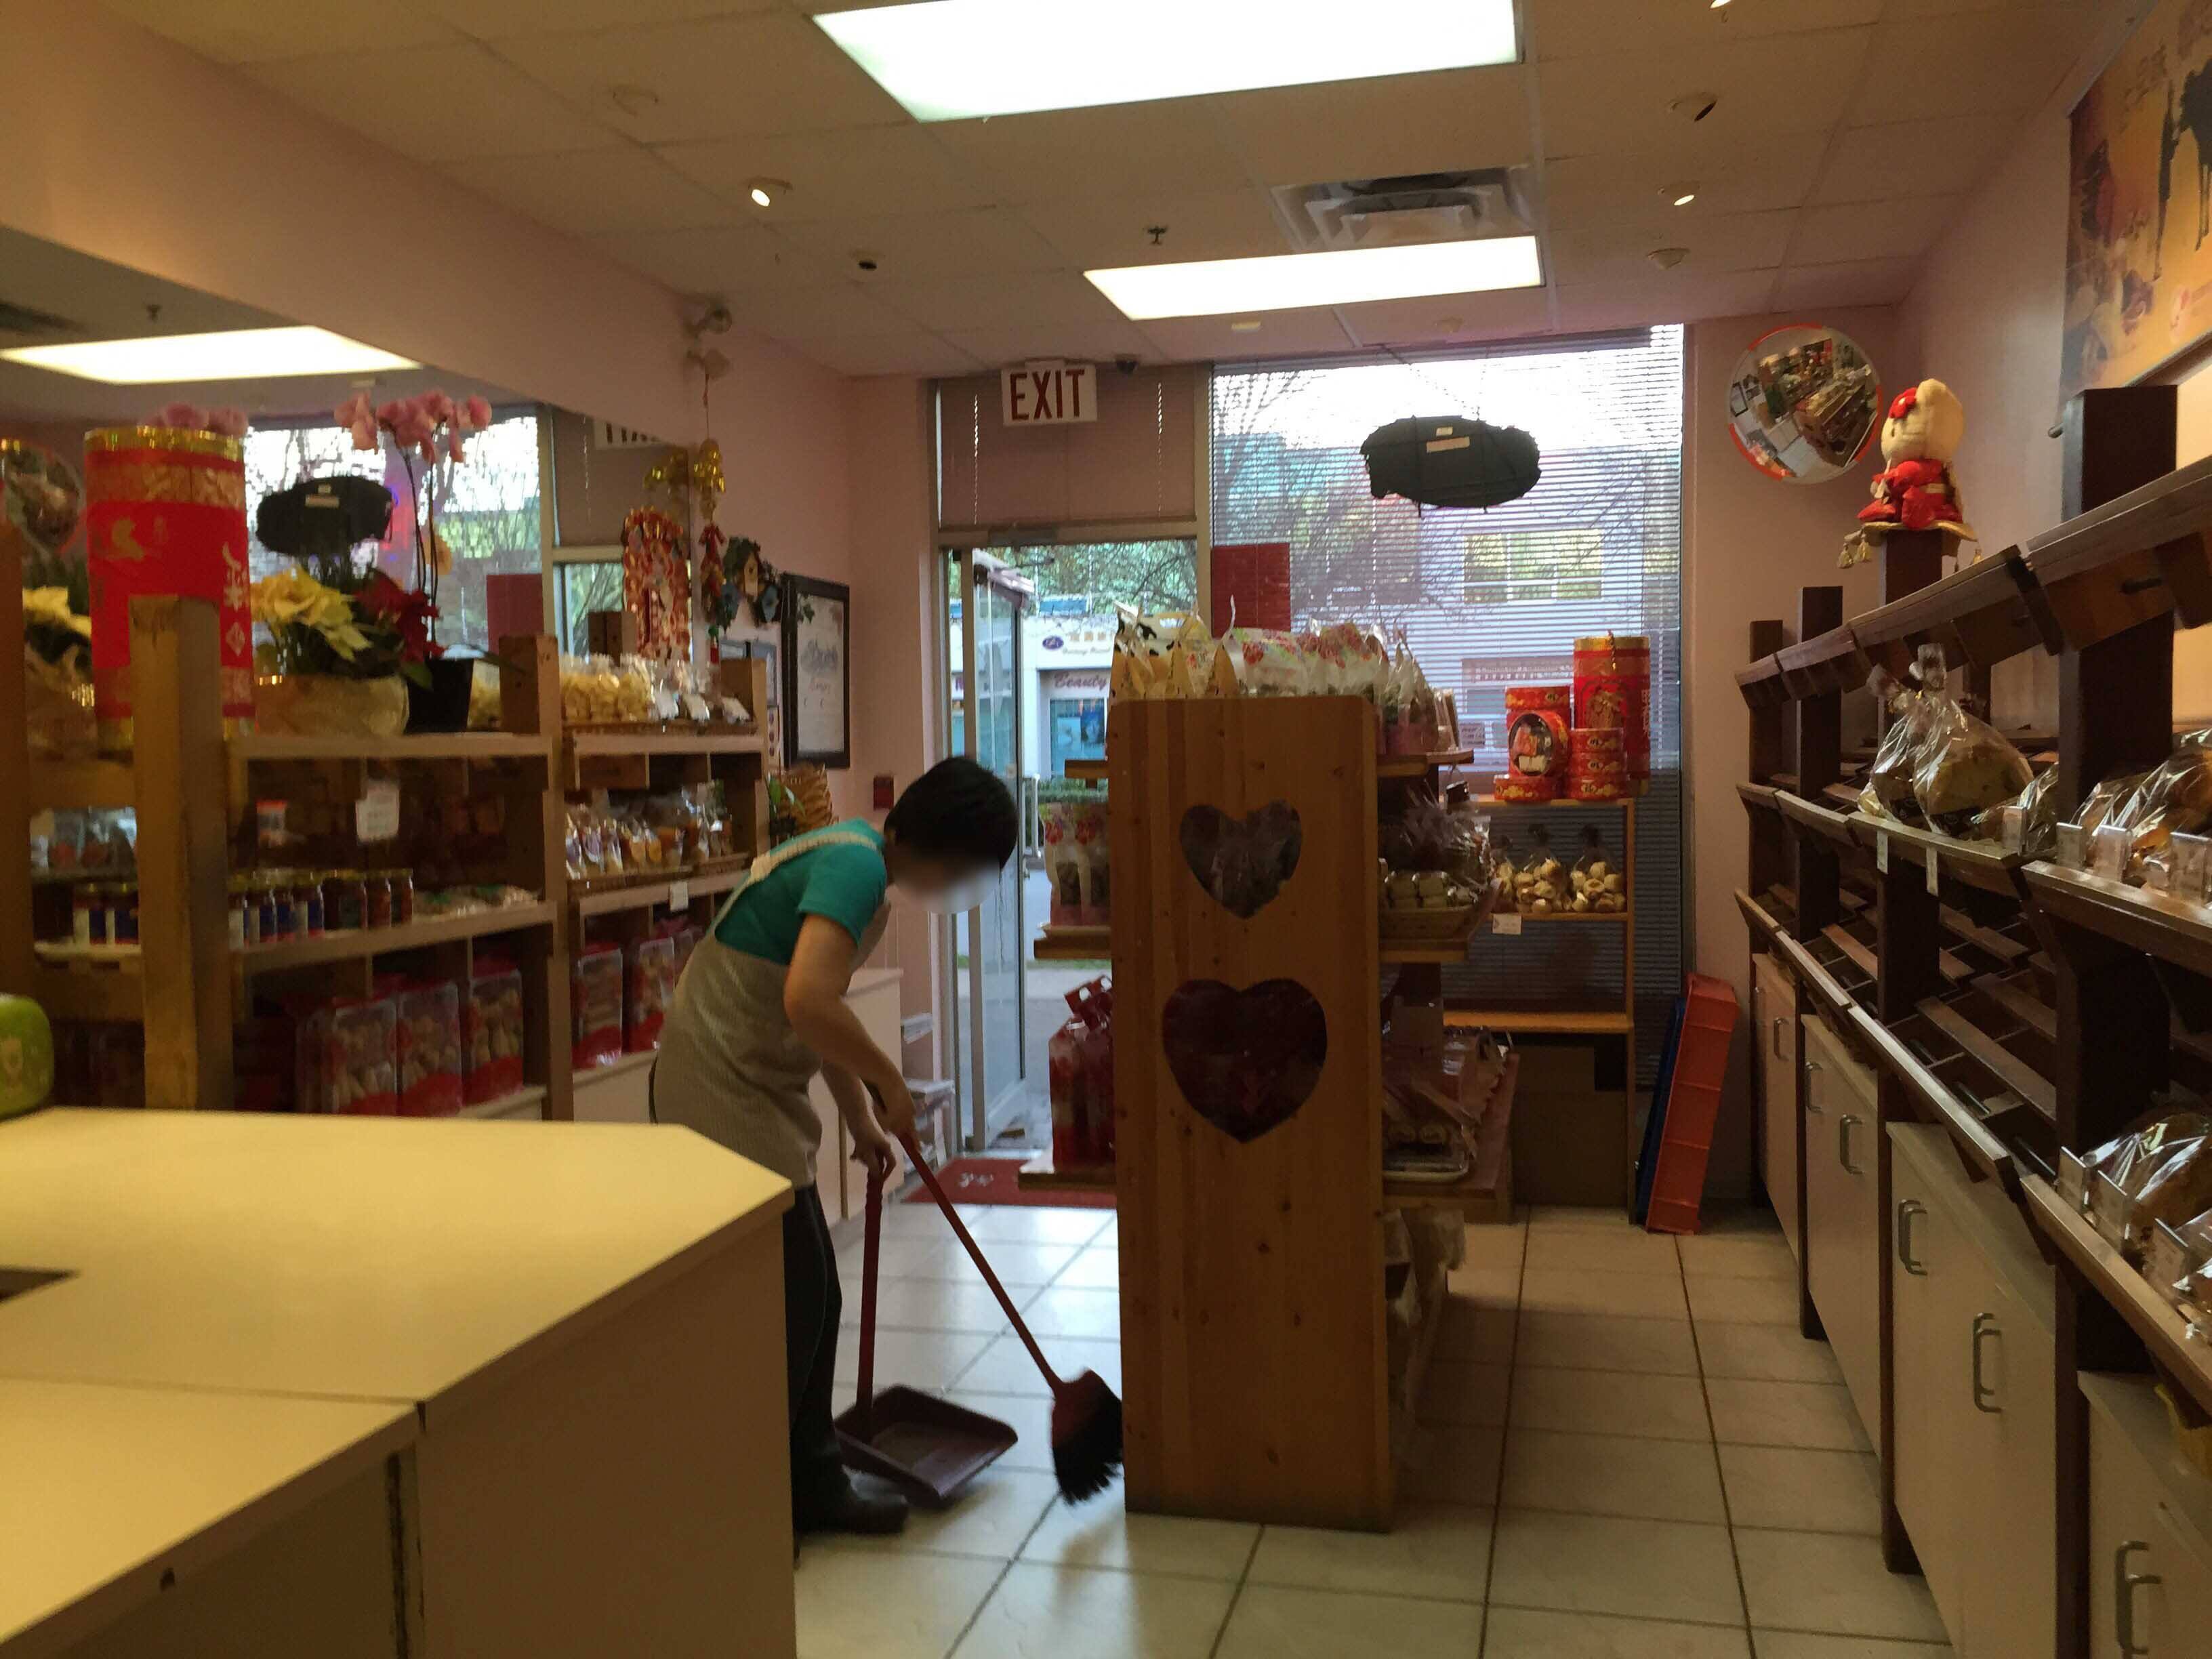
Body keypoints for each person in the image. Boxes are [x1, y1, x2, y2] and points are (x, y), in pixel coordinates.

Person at [651, 757, 1018, 1538]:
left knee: (814, 1294)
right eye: (968, 870)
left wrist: (861, 1118)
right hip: (716, 1085)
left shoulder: (860, 863)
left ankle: (809, 1481)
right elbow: (809, 1001)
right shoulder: (854, 868)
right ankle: (758, 1503)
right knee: (791, 1299)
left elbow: (820, 1013)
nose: (961, 888)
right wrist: (889, 1081)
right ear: (943, 847)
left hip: (751, 1082)